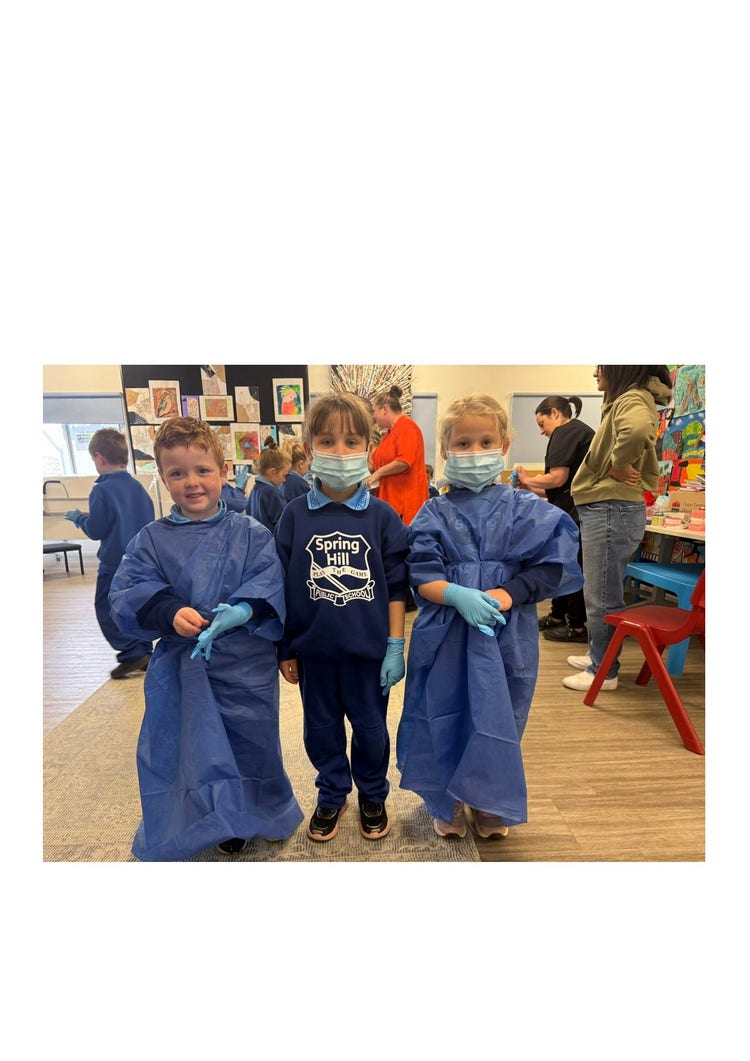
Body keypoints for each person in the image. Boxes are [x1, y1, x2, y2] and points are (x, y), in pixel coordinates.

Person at [108, 417, 302, 861]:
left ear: (223, 471)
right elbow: (128, 591)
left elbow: (269, 582)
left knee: (254, 742)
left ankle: (267, 809)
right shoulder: (151, 541)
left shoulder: (250, 533)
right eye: (177, 473)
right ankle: (221, 816)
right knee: (194, 746)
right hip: (184, 667)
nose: (191, 482)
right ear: (162, 478)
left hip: (245, 663)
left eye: (201, 470)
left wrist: (243, 609)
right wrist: (170, 611)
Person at [396, 393, 583, 841]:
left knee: (501, 715)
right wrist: (457, 593)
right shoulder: (433, 513)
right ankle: (448, 798)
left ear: (502, 446)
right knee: (442, 712)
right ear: (445, 450)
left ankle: (487, 796)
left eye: (484, 441)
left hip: (506, 634)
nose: (473, 451)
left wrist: (506, 593)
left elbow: (550, 568)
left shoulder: (527, 510)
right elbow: (421, 574)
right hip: (445, 635)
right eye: (462, 443)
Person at [275, 391, 409, 843]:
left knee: (371, 730)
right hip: (314, 653)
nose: (340, 452)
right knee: (321, 730)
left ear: (369, 447)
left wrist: (396, 645)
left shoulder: (383, 517)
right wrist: (286, 647)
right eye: (327, 441)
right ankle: (332, 791)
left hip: (370, 653)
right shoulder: (293, 516)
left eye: (353, 442)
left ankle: (372, 792)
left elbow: (396, 587)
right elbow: (284, 588)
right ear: (309, 447)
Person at [562, 365, 673, 693]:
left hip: (611, 509)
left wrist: (619, 464)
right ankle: (600, 655)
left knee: (602, 594)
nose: (596, 372)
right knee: (599, 591)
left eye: (601, 366)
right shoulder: (630, 399)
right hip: (610, 509)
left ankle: (605, 670)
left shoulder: (632, 400)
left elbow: (637, 430)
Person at [64, 428, 155, 679]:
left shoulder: (101, 490)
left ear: (99, 457)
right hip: (141, 562)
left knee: (106, 608)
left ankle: (131, 652)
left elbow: (97, 529)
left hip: (114, 563)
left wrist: (80, 518)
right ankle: (144, 649)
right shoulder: (138, 488)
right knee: (136, 606)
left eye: (93, 460)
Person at [515, 395, 595, 644]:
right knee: (561, 564)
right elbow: (557, 489)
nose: (541, 432)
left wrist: (528, 480)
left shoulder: (567, 431)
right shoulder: (576, 434)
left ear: (555, 413)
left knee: (570, 566)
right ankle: (558, 616)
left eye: (541, 424)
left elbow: (557, 478)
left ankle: (578, 626)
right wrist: (528, 488)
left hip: (579, 512)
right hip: (572, 507)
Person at [365, 385, 428, 525]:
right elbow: (375, 464)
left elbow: (404, 462)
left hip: (404, 507)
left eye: (374, 411)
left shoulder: (407, 427)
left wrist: (378, 474)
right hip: (388, 502)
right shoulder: (388, 434)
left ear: (385, 409)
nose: (373, 416)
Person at [246, 445, 291, 532]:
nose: (285, 480)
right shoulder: (273, 493)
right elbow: (285, 524)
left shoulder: (255, 490)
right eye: (284, 475)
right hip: (272, 541)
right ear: (273, 472)